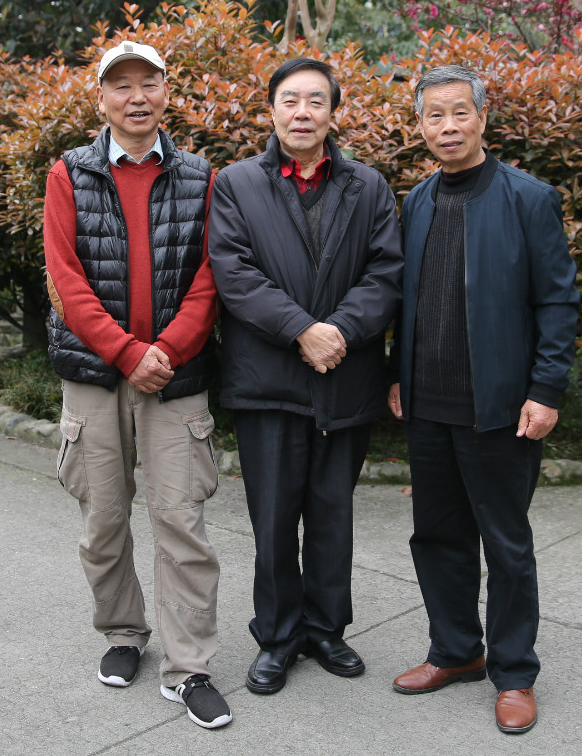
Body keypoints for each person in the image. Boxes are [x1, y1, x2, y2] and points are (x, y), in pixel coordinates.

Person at [42, 41, 230, 730]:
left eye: (148, 82)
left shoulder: (201, 177)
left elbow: (211, 277)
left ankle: (190, 666)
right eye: (120, 85)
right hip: (95, 373)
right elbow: (66, 278)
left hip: (176, 377)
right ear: (101, 100)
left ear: (166, 92)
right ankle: (123, 632)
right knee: (103, 518)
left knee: (182, 520)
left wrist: (166, 351)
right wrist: (126, 353)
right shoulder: (69, 173)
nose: (136, 96)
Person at [387, 65, 580, 736]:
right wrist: (398, 375)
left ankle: (515, 672)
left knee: (505, 543)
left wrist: (546, 390)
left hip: (499, 406)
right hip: (428, 404)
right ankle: (455, 651)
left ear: (482, 118)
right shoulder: (416, 201)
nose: (447, 127)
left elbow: (558, 301)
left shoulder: (529, 198)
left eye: (459, 113)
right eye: (433, 116)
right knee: (437, 536)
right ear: (420, 126)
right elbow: (406, 300)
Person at [207, 57, 403, 696]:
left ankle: (326, 629)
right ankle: (277, 637)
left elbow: (386, 272)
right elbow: (234, 272)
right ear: (271, 111)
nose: (302, 112)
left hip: (345, 377)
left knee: (331, 515)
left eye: (316, 101)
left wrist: (338, 330)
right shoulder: (237, 184)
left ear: (332, 113)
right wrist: (301, 330)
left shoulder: (367, 186)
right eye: (290, 100)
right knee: (272, 521)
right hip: (268, 382)